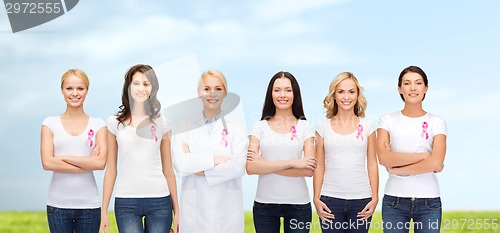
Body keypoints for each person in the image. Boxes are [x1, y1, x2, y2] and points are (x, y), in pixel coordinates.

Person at [100, 64, 179, 233]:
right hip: (126, 202)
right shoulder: (114, 123)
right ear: (128, 86)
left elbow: (168, 169)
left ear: (153, 88)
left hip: (160, 200)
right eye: (136, 83)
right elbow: (111, 170)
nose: (141, 88)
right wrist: (103, 210)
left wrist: (177, 211)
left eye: (146, 83)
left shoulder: (163, 122)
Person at [171, 69, 247, 233]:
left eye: (218, 88)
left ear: (225, 93)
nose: (212, 93)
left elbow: (239, 166)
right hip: (195, 213)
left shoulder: (236, 127)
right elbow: (181, 164)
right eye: (206, 89)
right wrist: (216, 159)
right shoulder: (185, 126)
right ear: (198, 92)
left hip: (227, 213)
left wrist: (198, 167)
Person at [377, 66, 447, 233]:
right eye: (407, 83)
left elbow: (437, 161)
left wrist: (397, 169)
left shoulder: (437, 122)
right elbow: (384, 158)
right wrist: (424, 157)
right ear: (400, 88)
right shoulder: (387, 120)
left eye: (418, 83)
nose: (413, 88)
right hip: (394, 201)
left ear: (426, 88)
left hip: (429, 201)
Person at [246, 71, 317, 233]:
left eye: (288, 90)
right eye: (277, 90)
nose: (282, 95)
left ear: (295, 94)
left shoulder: (305, 127)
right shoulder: (259, 126)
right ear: (270, 93)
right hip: (264, 205)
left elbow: (308, 170)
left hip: (298, 205)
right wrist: (293, 162)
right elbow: (250, 168)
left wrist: (265, 165)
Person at [40, 69, 107, 233]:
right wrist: (87, 163)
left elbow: (100, 163)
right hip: (58, 206)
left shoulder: (99, 125)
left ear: (87, 91)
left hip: (90, 206)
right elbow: (47, 163)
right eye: (69, 88)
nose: (75, 93)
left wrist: (62, 158)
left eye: (80, 88)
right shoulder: (49, 123)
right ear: (62, 90)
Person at [313, 72, 379, 233]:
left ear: (357, 95)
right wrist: (316, 198)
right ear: (334, 95)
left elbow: (372, 163)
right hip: (329, 200)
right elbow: (319, 165)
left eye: (351, 92)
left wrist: (375, 197)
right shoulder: (323, 126)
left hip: (361, 200)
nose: (346, 97)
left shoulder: (368, 124)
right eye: (341, 92)